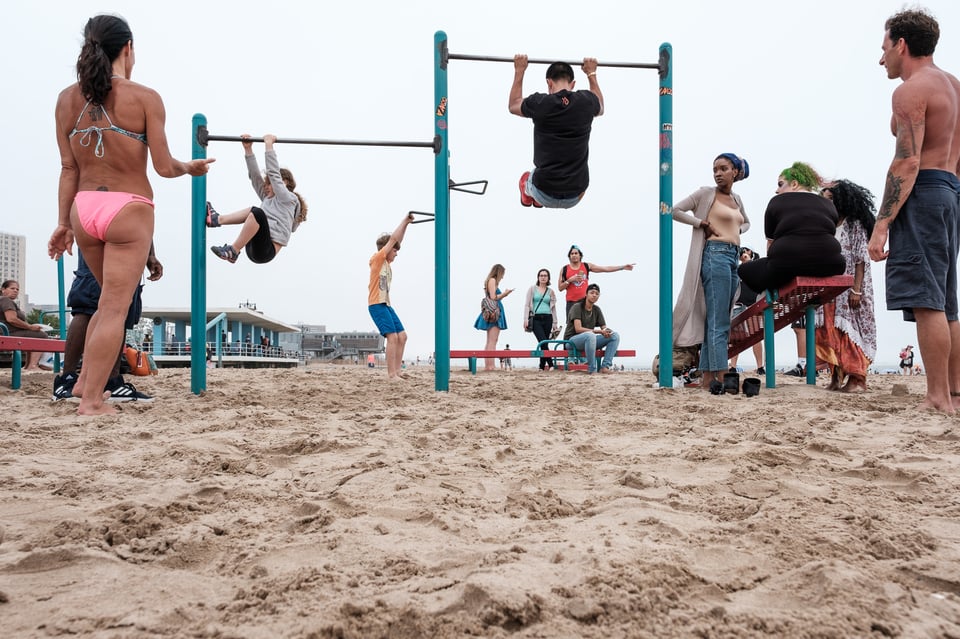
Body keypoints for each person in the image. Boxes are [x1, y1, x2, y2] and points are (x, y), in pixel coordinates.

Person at [47, 14, 213, 415]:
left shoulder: (67, 99)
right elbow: (162, 166)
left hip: (84, 209)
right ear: (128, 48)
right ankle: (91, 403)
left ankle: (85, 382)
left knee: (105, 304)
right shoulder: (144, 97)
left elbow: (68, 168)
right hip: (128, 207)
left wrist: (63, 223)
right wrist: (189, 167)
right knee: (115, 309)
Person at [869, 9, 960, 413]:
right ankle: (954, 395)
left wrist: (881, 224)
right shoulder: (953, 87)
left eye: (884, 47)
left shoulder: (911, 90)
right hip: (950, 190)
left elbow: (906, 161)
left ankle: (937, 398)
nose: (881, 57)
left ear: (901, 44)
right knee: (947, 301)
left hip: (922, 192)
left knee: (927, 301)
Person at [672, 153, 751, 389]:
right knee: (719, 320)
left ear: (735, 172)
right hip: (714, 254)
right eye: (715, 169)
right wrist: (701, 223)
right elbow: (674, 210)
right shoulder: (706, 194)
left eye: (723, 168)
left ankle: (708, 378)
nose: (717, 173)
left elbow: (746, 222)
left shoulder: (736, 199)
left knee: (718, 318)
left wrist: (735, 231)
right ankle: (723, 374)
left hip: (732, 256)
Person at [53, 247, 161, 401]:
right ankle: (68, 378)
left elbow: (146, 222)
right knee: (87, 305)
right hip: (104, 234)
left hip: (132, 242)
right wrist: (66, 225)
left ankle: (111, 381)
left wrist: (150, 253)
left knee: (121, 310)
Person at [509, 56, 604, 209]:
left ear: (549, 83)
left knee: (527, 177)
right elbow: (600, 106)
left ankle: (528, 191)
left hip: (543, 191)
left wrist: (519, 70)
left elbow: (513, 105)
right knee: (565, 177)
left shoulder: (540, 103)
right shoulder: (586, 102)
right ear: (572, 84)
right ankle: (537, 196)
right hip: (575, 196)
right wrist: (591, 74)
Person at [738, 162, 846, 294]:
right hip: (832, 264)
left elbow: (771, 243)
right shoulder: (828, 205)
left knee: (743, 270)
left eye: (780, 184)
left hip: (786, 263)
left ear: (794, 184)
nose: (777, 190)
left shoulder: (776, 201)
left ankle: (773, 291)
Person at [815, 180, 878, 392]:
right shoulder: (827, 225)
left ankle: (857, 379)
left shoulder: (854, 224)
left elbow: (861, 258)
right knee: (829, 332)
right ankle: (836, 376)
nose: (827, 203)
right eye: (824, 199)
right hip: (830, 289)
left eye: (831, 198)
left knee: (852, 332)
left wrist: (856, 289)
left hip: (851, 287)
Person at [208, 134, 307, 264]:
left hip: (266, 250)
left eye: (269, 183)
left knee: (257, 213)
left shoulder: (289, 199)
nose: (266, 187)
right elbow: (255, 178)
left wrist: (269, 145)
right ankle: (216, 220)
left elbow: (274, 174)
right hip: (254, 245)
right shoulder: (268, 198)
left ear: (285, 183)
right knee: (254, 212)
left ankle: (233, 251)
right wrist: (248, 150)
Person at [368, 213, 414, 380]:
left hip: (386, 304)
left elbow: (397, 240)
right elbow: (393, 239)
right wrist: (404, 221)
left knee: (402, 336)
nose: (396, 253)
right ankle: (391, 374)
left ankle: (398, 372)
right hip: (376, 304)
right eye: (394, 250)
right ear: (385, 249)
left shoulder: (387, 265)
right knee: (392, 337)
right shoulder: (378, 259)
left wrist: (407, 226)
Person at [558, 245, 634, 315]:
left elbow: (605, 269)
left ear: (580, 255)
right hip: (571, 302)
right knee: (572, 327)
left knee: (586, 327)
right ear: (569, 256)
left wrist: (622, 267)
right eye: (572, 254)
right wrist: (570, 280)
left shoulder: (586, 266)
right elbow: (560, 288)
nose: (574, 255)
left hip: (585, 302)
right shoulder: (564, 269)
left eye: (576, 253)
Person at [563, 283, 620, 374]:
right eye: (592, 292)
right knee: (590, 335)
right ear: (586, 294)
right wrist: (598, 331)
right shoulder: (577, 307)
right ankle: (592, 368)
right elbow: (578, 329)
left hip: (590, 340)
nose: (594, 295)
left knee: (615, 336)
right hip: (572, 341)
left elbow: (603, 327)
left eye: (597, 293)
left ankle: (605, 367)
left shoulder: (597, 309)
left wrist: (606, 332)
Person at [728, 246, 765, 375]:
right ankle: (732, 366)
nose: (744, 253)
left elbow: (757, 273)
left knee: (756, 336)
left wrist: (749, 259)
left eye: (747, 251)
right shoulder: (738, 270)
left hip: (754, 304)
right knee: (736, 337)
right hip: (739, 304)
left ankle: (760, 367)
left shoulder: (756, 265)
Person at [0, 280, 51, 371]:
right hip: (7, 334)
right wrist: (30, 327)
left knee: (31, 334)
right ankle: (33, 366)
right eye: (12, 288)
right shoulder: (5, 300)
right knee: (41, 335)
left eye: (17, 289)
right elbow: (11, 319)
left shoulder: (5, 301)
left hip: (7, 332)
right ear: (3, 289)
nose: (15, 291)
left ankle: (27, 366)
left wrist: (29, 327)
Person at [474, 264, 514, 372]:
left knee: (490, 341)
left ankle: (489, 365)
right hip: (494, 312)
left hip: (493, 311)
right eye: (502, 274)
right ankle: (490, 365)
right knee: (492, 340)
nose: (503, 277)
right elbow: (493, 297)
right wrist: (505, 294)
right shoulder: (492, 280)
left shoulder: (490, 280)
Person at [523, 268, 560, 370]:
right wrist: (525, 319)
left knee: (545, 342)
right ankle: (551, 364)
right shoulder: (532, 289)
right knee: (542, 340)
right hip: (536, 318)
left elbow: (553, 307)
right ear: (538, 277)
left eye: (545, 275)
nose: (543, 277)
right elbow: (527, 305)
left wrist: (555, 322)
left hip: (548, 317)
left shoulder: (551, 291)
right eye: (541, 275)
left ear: (548, 278)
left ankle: (541, 366)